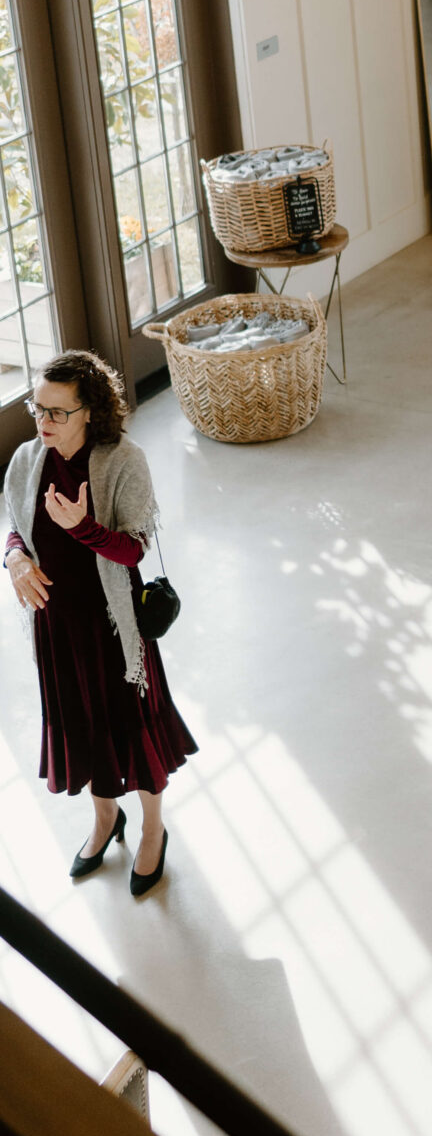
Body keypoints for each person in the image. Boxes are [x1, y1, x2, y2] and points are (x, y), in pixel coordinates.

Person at [3, 351, 196, 898]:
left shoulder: (122, 460)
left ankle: (153, 826)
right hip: (56, 626)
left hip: (113, 626)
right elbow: (17, 528)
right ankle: (106, 818)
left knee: (130, 726)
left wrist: (83, 527)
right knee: (84, 728)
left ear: (89, 410)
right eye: (36, 407)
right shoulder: (27, 459)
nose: (43, 422)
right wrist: (15, 558)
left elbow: (134, 548)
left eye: (57, 412)